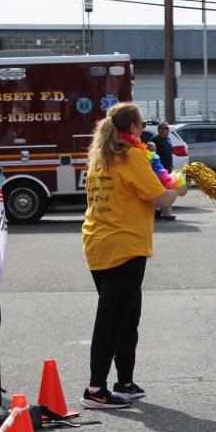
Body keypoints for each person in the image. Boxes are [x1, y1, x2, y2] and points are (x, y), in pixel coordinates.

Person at [80, 102, 188, 409]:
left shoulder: (101, 155)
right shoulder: (132, 156)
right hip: (124, 245)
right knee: (113, 319)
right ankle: (95, 389)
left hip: (99, 242)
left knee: (127, 316)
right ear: (133, 128)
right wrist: (181, 186)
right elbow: (160, 197)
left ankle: (124, 383)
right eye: (142, 125)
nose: (144, 130)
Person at [148, 123, 176, 221]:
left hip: (167, 169)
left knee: (167, 190)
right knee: (159, 191)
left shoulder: (168, 139)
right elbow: (151, 153)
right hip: (159, 171)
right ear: (160, 129)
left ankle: (166, 213)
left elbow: (169, 152)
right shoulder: (155, 139)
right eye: (166, 128)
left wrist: (171, 163)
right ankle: (157, 213)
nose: (168, 130)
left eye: (168, 128)